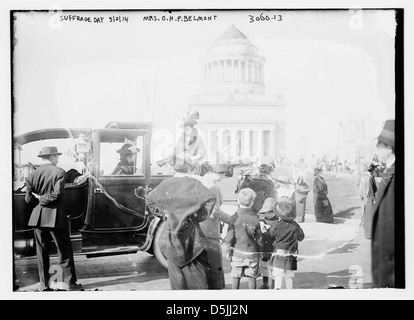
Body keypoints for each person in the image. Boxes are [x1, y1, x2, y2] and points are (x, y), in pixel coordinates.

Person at [145, 161, 216, 290]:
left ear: (173, 167)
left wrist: (164, 214)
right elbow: (211, 198)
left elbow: (149, 199)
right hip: (192, 234)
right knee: (199, 274)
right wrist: (198, 216)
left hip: (170, 233)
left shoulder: (165, 184)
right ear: (190, 168)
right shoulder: (194, 184)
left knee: (177, 278)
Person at [25, 146, 82, 291]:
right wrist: (45, 199)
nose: (58, 159)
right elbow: (57, 194)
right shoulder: (59, 172)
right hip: (56, 217)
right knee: (64, 251)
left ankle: (44, 285)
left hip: (37, 218)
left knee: (41, 252)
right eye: (56, 156)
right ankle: (70, 284)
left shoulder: (32, 175)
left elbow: (28, 199)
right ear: (51, 157)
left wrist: (39, 201)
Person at [192, 163, 235, 290]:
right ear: (211, 171)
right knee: (215, 261)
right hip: (209, 228)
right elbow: (215, 211)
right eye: (220, 174)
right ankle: (217, 288)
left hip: (199, 227)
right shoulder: (211, 185)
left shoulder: (201, 181)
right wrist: (231, 219)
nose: (222, 177)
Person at [371, 119, 396, 288]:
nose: (377, 150)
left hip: (391, 272)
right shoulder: (390, 171)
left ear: (389, 148)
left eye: (380, 145)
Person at [226, 188, 263, 290]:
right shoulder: (255, 218)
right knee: (252, 276)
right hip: (251, 253)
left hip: (237, 252)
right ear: (252, 203)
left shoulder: (234, 217)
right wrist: (260, 252)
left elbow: (229, 236)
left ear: (238, 201)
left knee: (236, 277)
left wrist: (228, 250)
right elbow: (259, 238)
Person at [268, 197, 305, 290]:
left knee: (278, 275)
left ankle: (278, 291)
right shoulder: (295, 226)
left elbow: (269, 235)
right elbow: (301, 237)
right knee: (289, 276)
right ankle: (289, 293)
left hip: (279, 252)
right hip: (291, 253)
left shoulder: (276, 225)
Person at [257, 197, 278, 289]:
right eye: (265, 212)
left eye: (269, 212)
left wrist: (266, 230)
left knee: (273, 268)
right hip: (265, 248)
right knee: (264, 267)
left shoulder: (278, 222)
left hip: (273, 248)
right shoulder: (262, 221)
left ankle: (273, 285)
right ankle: (265, 284)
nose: (267, 214)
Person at [361, 163, 378, 239]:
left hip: (367, 199)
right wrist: (374, 200)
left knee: (367, 216)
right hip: (369, 199)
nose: (376, 171)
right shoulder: (370, 178)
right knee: (370, 216)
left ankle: (368, 234)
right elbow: (371, 191)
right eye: (375, 170)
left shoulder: (367, 177)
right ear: (372, 170)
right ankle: (369, 234)